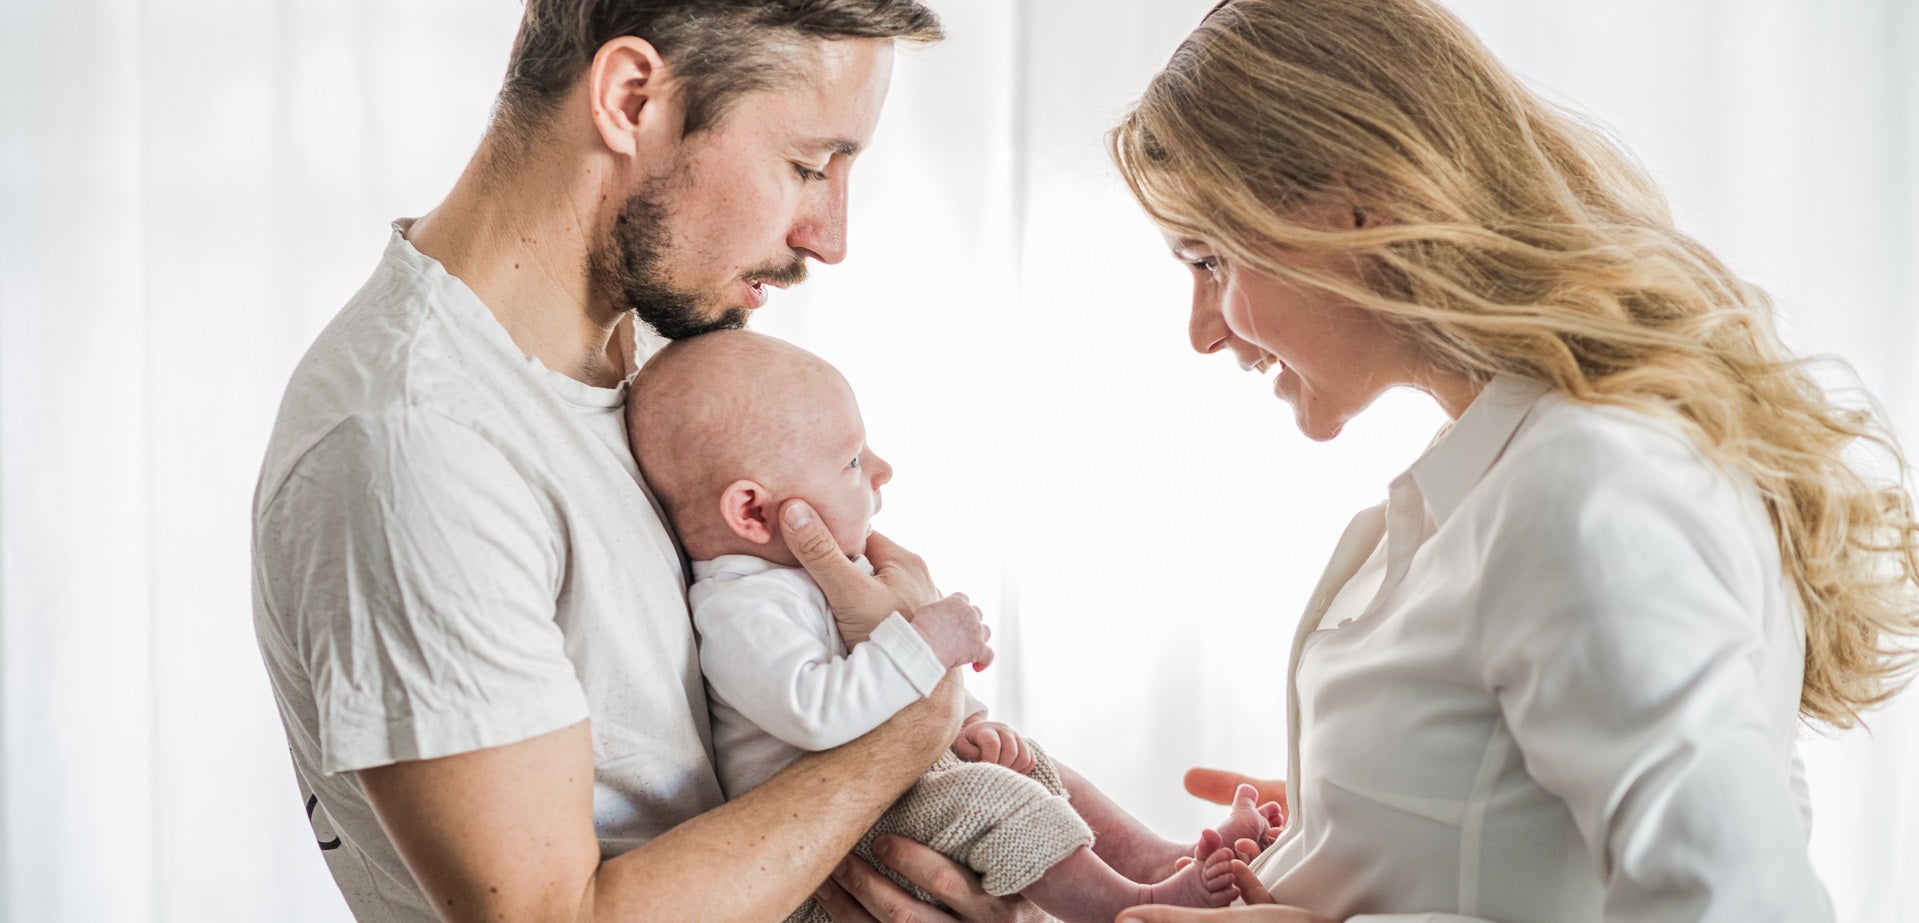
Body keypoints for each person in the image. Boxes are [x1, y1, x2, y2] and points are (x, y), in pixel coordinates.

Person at [1091, 0, 1919, 921]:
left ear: (1354, 207)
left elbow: (1745, 904)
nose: (1203, 331)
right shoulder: (1512, 472)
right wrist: (1349, 835)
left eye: (1209, 261)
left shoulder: (1584, 490)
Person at [245, 3, 1049, 920]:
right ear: (631, 97)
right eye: (805, 167)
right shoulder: (415, 444)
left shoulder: (654, 373)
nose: (830, 236)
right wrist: (911, 722)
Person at [626, 329, 1272, 922]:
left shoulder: (813, 572)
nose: (880, 471)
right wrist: (928, 642)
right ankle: (1129, 908)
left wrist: (969, 723)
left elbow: (899, 696)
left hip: (895, 787)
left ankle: (1159, 861)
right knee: (996, 800)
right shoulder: (739, 606)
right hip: (838, 841)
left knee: (1031, 768)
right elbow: (814, 710)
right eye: (851, 462)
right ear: (751, 509)